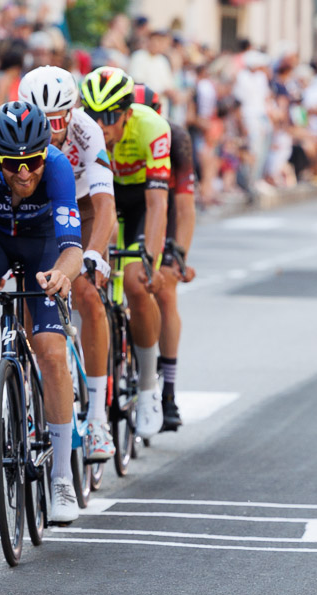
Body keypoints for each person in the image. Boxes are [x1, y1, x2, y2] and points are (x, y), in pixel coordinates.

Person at [0, 101, 83, 523]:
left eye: (33, 162)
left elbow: (72, 248)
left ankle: (61, 478)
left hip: (44, 243)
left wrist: (61, 276)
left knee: (52, 353)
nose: (24, 173)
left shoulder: (58, 168)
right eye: (12, 164)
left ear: (46, 152)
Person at [19, 65, 116, 460]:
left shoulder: (87, 131)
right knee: (25, 298)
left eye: (59, 119)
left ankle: (96, 418)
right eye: (45, 120)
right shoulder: (14, 126)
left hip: (82, 206)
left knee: (88, 295)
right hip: (39, 213)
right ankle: (26, 392)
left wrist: (93, 253)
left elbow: (104, 204)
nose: (53, 128)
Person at [80, 66, 169, 439]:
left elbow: (158, 204)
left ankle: (148, 388)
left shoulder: (151, 128)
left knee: (135, 281)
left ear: (128, 114)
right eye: (93, 117)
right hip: (96, 200)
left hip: (137, 203)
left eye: (111, 117)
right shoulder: (78, 132)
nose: (102, 126)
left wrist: (148, 258)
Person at [132, 83, 197, 431]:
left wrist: (178, 256)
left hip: (164, 212)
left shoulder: (176, 138)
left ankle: (167, 393)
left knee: (165, 287)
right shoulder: (114, 136)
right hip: (129, 210)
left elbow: (184, 207)